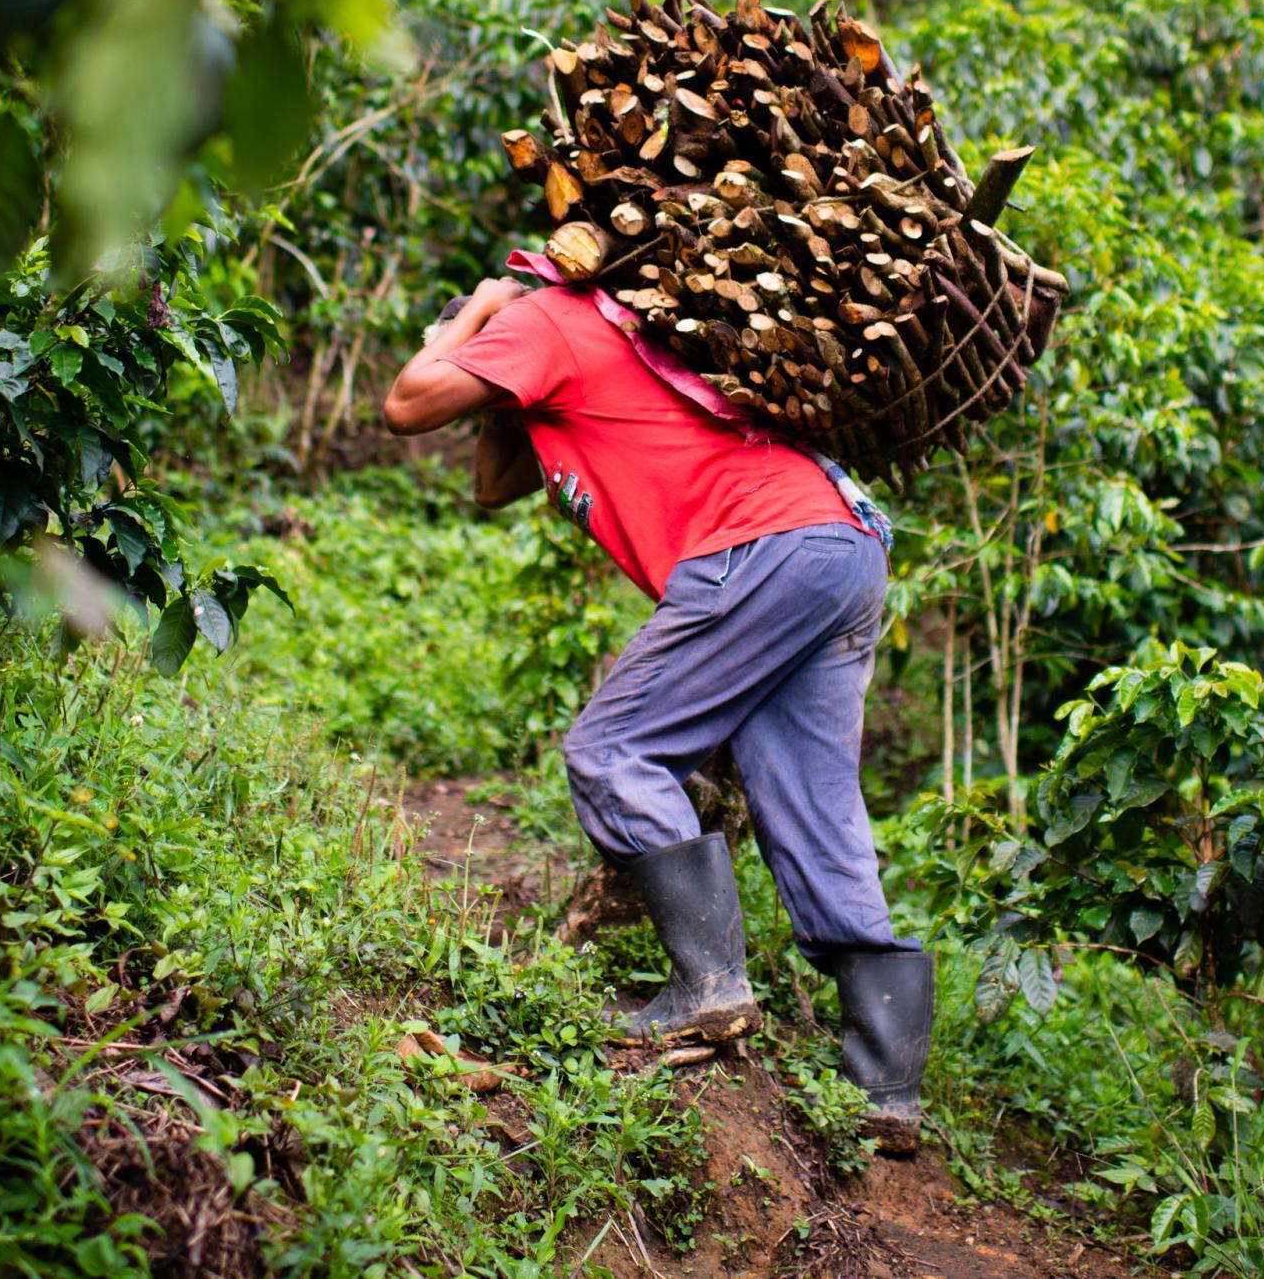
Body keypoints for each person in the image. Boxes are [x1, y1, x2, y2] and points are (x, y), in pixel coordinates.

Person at [381, 272, 932, 1151]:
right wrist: (501, 391)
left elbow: (407, 404)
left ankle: (710, 984)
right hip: (839, 545)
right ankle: (886, 1088)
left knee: (613, 751)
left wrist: (481, 311)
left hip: (764, 543)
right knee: (816, 803)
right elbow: (492, 483)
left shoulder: (539, 320)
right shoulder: (572, 349)